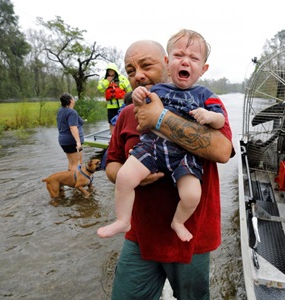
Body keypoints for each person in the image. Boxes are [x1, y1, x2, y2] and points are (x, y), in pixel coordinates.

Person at [99, 39, 233, 299]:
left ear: (163, 65)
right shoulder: (126, 114)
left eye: (145, 66)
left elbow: (222, 151)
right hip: (139, 236)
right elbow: (111, 163)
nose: (138, 75)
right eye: (130, 70)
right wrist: (129, 176)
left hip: (191, 236)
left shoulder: (201, 101)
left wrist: (161, 118)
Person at [97, 62, 133, 132]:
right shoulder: (104, 80)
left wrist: (129, 101)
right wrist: (107, 81)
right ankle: (112, 137)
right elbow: (100, 88)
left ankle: (122, 134)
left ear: (115, 70)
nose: (110, 72)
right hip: (110, 106)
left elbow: (129, 89)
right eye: (109, 70)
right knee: (111, 122)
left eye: (112, 70)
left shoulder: (122, 78)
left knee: (123, 120)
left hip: (122, 105)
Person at [56, 93, 84, 171]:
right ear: (71, 101)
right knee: (78, 163)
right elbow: (73, 127)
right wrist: (78, 142)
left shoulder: (61, 111)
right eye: (73, 99)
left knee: (71, 163)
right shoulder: (72, 112)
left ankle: (69, 181)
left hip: (63, 140)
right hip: (71, 141)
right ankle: (75, 182)